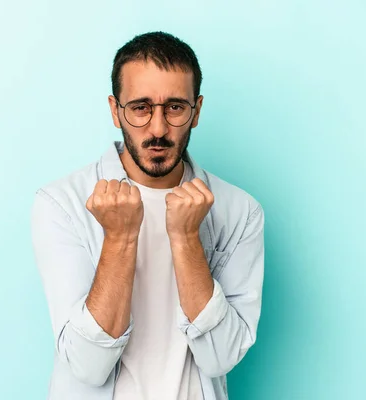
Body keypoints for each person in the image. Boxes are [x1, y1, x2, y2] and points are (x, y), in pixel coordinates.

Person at [31, 31, 265, 400]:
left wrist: (188, 238)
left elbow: (222, 356)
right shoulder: (62, 203)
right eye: (140, 107)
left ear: (197, 111)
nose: (158, 129)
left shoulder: (240, 211)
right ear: (114, 110)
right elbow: (87, 366)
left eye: (175, 107)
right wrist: (120, 238)